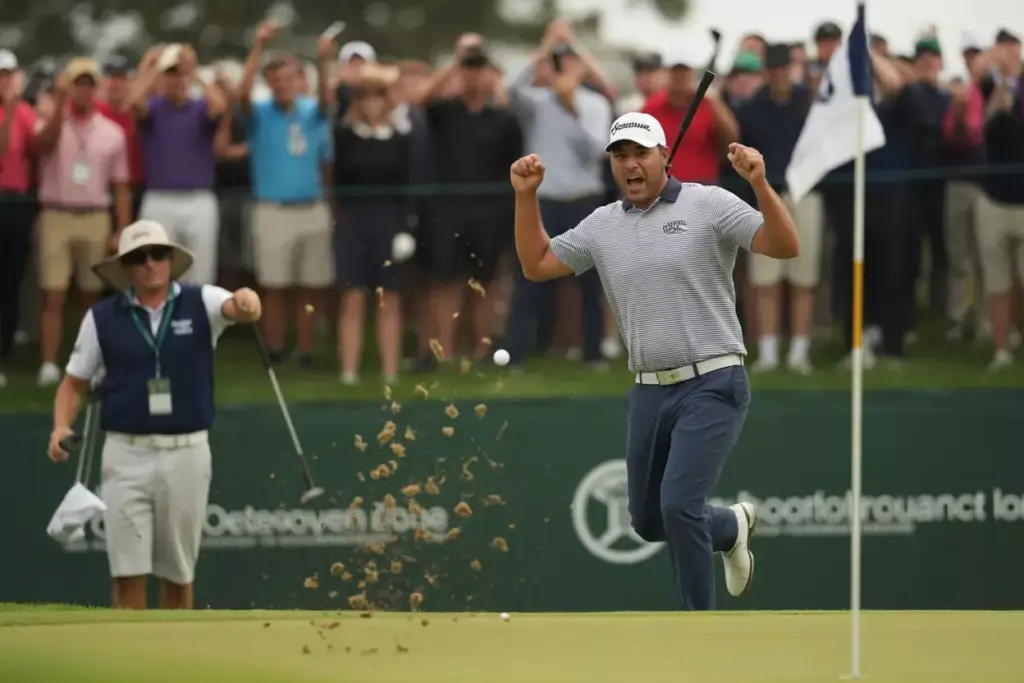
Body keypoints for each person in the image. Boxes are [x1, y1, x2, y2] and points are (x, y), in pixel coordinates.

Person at [509, 112, 799, 610]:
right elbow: (537, 265)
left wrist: (759, 183)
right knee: (647, 521)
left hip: (714, 380)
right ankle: (729, 526)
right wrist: (525, 194)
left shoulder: (708, 203)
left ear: (665, 155)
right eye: (620, 156)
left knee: (679, 505)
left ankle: (696, 629)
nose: (630, 165)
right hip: (648, 390)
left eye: (641, 153)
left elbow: (784, 245)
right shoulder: (603, 225)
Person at [47, 219, 262, 609]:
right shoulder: (102, 318)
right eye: (138, 257)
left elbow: (240, 308)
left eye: (158, 254)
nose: (150, 263)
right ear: (127, 266)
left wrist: (248, 298)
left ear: (169, 260)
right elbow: (72, 383)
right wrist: (61, 425)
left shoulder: (202, 301)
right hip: (126, 455)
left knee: (178, 574)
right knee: (127, 574)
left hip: (187, 452)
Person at [506, 21, 611, 369]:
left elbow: (594, 152)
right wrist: (546, 43)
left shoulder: (595, 105)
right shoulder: (537, 101)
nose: (563, 68)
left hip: (584, 200)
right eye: (558, 62)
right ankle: (518, 354)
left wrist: (571, 108)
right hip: (545, 202)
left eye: (570, 62)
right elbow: (510, 88)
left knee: (591, 286)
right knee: (529, 281)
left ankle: (592, 354)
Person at [416, 35, 522, 361]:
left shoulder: (504, 118)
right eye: (469, 70)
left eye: (480, 70)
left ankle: (482, 349)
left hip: (491, 210)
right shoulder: (444, 111)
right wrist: (455, 63)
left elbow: (514, 168)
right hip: (448, 209)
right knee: (446, 281)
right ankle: (445, 352)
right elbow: (420, 99)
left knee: (486, 282)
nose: (474, 76)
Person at [238, 21, 335, 368]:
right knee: (274, 286)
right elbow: (240, 96)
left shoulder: (312, 112)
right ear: (269, 84)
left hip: (311, 208)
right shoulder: (261, 114)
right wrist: (258, 48)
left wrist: (324, 61)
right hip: (273, 210)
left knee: (309, 286)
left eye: (288, 78)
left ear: (298, 80)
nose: (281, 85)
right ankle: (275, 350)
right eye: (274, 80)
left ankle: (305, 351)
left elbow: (327, 100)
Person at [34, 58, 131, 388]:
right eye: (78, 84)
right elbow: (41, 146)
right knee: (53, 294)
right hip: (56, 213)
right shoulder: (50, 120)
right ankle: (49, 364)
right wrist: (59, 106)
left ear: (97, 88)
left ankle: (92, 362)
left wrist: (122, 229)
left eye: (90, 84)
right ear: (69, 87)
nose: (84, 90)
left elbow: (120, 186)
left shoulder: (112, 132)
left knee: (93, 296)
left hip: (95, 216)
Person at [735, 44, 822, 374]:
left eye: (784, 69)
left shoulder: (808, 101)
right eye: (773, 70)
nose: (779, 75)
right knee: (765, 277)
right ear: (766, 73)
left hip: (806, 193)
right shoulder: (753, 107)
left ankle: (800, 352)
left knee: (804, 276)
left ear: (792, 69)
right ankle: (769, 353)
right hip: (766, 195)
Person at [332, 63, 411, 385]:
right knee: (352, 296)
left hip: (388, 221)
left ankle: (390, 372)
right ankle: (349, 372)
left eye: (378, 97)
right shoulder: (345, 136)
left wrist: (406, 228)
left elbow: (407, 185)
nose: (372, 104)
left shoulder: (399, 139)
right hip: (352, 220)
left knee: (388, 296)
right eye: (365, 97)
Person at [130, 44, 227, 285]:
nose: (176, 80)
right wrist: (155, 67)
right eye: (171, 74)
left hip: (199, 200)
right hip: (159, 199)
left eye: (180, 74)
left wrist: (194, 71)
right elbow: (133, 102)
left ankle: (198, 322)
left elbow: (220, 106)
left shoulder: (199, 107)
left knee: (200, 271)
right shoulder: (154, 108)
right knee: (155, 272)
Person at [0, 50, 36, 389]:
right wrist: (11, 108)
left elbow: (38, 149)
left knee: (12, 280)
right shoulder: (16, 111)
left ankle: (6, 349)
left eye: (9, 74)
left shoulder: (26, 112)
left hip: (17, 204)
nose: (5, 80)